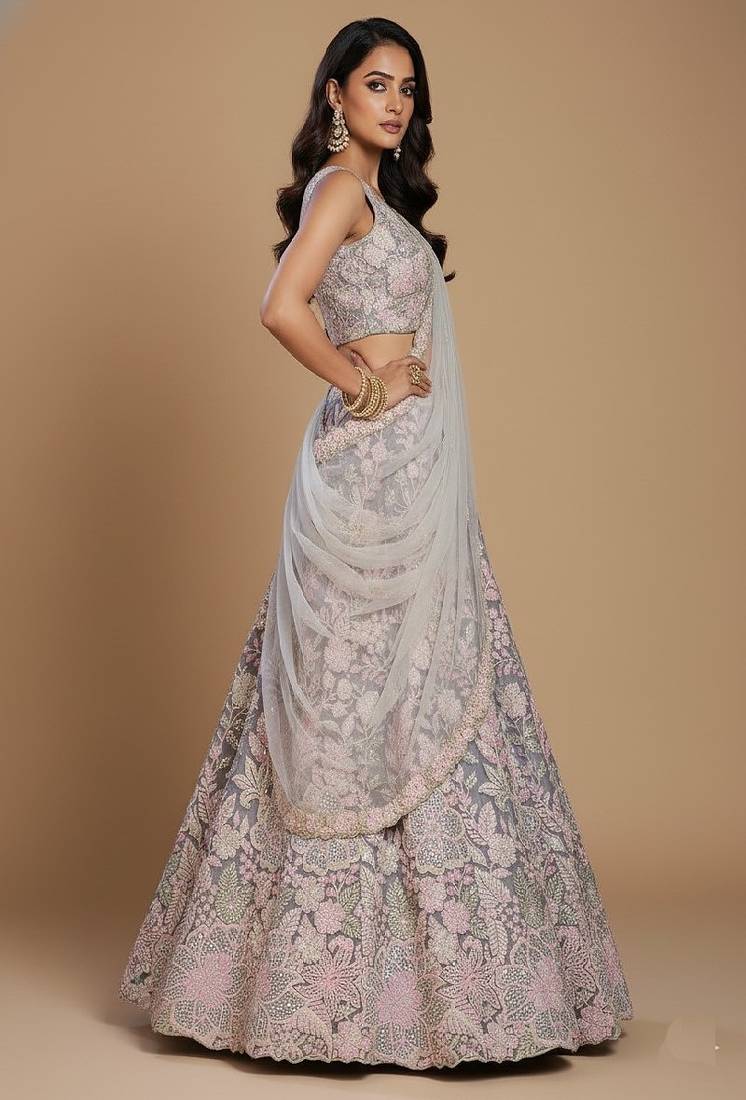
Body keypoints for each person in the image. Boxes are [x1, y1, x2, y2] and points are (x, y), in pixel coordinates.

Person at [118, 17, 633, 1070]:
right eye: (375, 85)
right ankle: (323, 997)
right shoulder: (340, 193)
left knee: (423, 682)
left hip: (414, 480)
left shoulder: (380, 201)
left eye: (407, 88)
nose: (394, 104)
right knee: (353, 695)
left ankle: (442, 991)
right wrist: (364, 385)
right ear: (335, 96)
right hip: (366, 479)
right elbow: (281, 307)